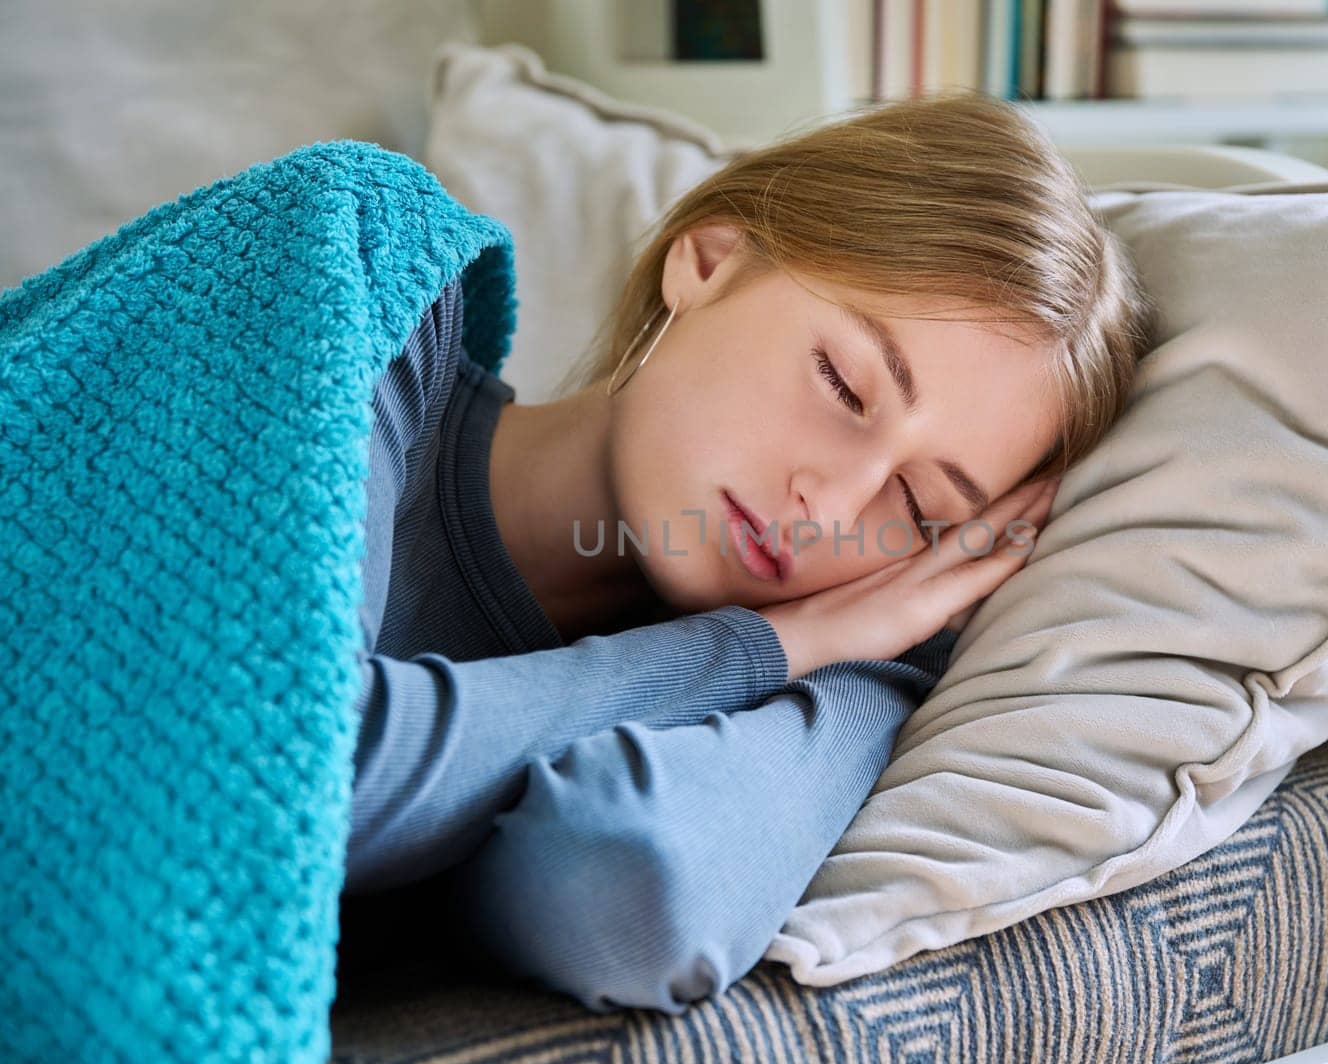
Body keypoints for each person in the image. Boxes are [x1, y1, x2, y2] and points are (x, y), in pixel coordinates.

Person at [334, 90, 1155, 1015]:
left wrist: (873, 660)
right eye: (844, 386)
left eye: (919, 507)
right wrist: (775, 643)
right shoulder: (361, 304)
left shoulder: (845, 636)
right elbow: (305, 769)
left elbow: (628, 888)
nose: (834, 504)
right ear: (710, 261)